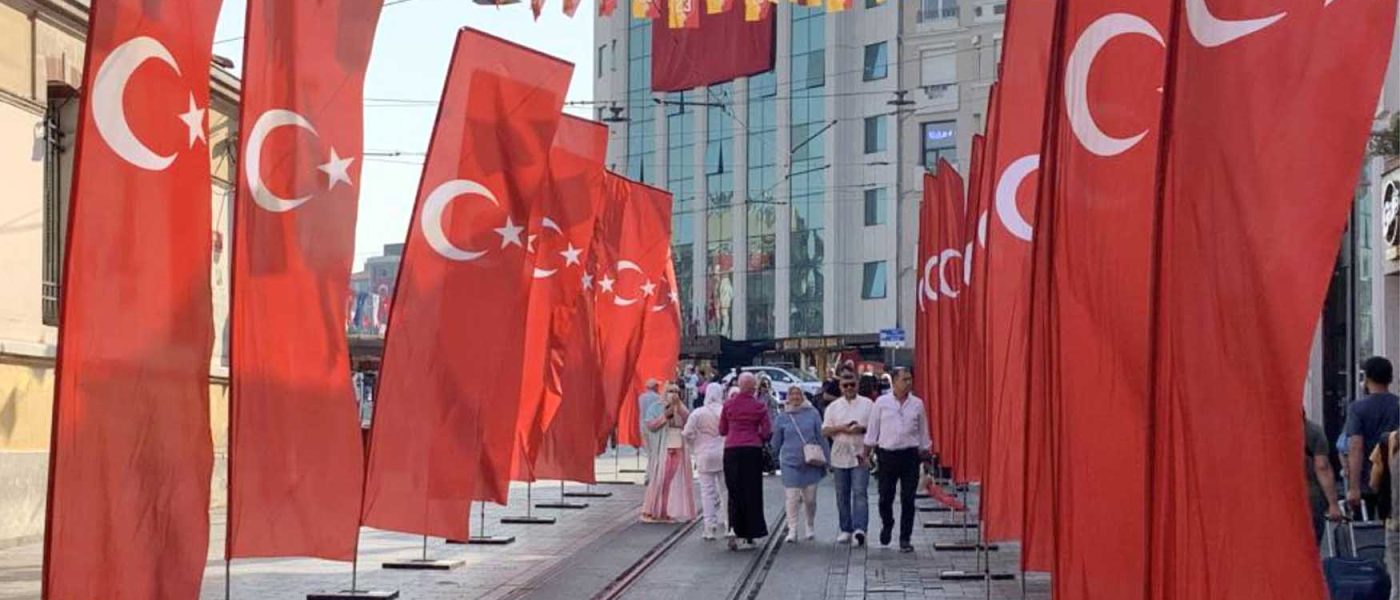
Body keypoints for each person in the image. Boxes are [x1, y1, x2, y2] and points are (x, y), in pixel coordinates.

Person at [863, 367, 930, 553]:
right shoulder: (881, 403)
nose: (908, 383)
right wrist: (865, 453)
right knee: (885, 497)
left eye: (910, 379)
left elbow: (924, 431)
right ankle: (887, 523)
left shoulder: (917, 404)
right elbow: (872, 431)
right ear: (894, 381)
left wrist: (926, 454)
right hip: (887, 455)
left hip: (910, 455)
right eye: (904, 379)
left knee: (908, 498)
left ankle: (905, 538)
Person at [720, 373, 773, 550]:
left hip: (732, 449)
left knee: (734, 491)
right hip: (752, 450)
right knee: (752, 491)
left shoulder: (728, 405)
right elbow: (766, 432)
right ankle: (751, 532)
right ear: (753, 387)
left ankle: (733, 528)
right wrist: (755, 435)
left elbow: (722, 430)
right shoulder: (759, 406)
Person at [772, 386, 830, 543]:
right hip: (790, 462)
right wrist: (773, 457)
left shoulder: (813, 414)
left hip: (810, 461)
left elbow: (821, 436)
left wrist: (828, 458)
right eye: (792, 394)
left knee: (810, 499)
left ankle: (809, 525)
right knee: (792, 497)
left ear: (803, 396)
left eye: (798, 394)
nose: (795, 397)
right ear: (788, 397)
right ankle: (792, 529)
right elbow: (776, 441)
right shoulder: (782, 417)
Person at [823, 372, 874, 546]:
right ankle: (846, 528)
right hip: (840, 453)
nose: (849, 388)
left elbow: (875, 428)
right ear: (840, 387)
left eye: (852, 384)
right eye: (846, 385)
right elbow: (825, 430)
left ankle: (860, 529)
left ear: (858, 384)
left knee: (860, 492)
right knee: (841, 494)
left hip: (860, 452)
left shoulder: (868, 404)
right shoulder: (833, 407)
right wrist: (842, 428)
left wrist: (862, 428)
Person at [1347, 356, 1399, 519]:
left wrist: (1353, 486)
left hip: (1367, 479)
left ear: (1367, 378)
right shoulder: (1397, 405)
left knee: (1366, 532)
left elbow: (1356, 446)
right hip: (1394, 478)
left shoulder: (1358, 408)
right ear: (1390, 378)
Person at [641, 385, 696, 523]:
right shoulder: (656, 407)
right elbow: (650, 425)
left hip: (678, 447)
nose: (674, 394)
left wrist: (679, 408)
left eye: (677, 391)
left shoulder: (682, 408)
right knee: (660, 479)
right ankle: (653, 510)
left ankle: (667, 511)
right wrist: (664, 417)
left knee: (670, 482)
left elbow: (688, 422)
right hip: (663, 447)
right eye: (671, 391)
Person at [684, 383, 729, 539]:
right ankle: (729, 522)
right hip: (723, 453)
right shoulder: (725, 410)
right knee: (725, 491)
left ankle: (709, 526)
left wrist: (695, 445)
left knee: (707, 492)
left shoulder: (698, 413)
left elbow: (687, 433)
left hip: (704, 454)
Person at [1304, 413, 1343, 547]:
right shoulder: (1313, 431)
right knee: (1310, 547)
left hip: (1276, 499)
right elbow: (1322, 467)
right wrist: (1333, 504)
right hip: (1310, 499)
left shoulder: (1266, 432)